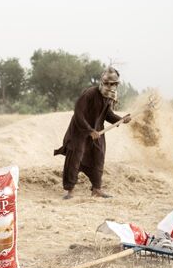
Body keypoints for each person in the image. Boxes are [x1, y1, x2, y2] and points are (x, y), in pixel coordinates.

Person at [54, 66, 131, 199]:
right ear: (102, 81)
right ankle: (69, 191)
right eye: (107, 83)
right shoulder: (89, 94)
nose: (109, 86)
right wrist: (89, 130)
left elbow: (107, 114)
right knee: (75, 158)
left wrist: (121, 119)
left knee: (98, 157)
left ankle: (97, 189)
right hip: (79, 132)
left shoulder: (108, 97)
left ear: (116, 84)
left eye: (113, 84)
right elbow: (78, 114)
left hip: (97, 133)